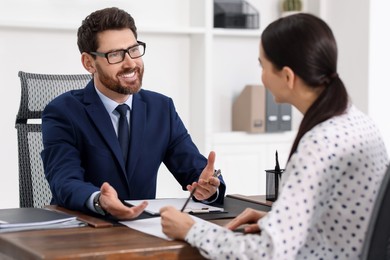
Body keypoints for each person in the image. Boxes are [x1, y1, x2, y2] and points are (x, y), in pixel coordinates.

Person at [160, 13, 389, 259]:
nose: (262, 76)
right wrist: (277, 220)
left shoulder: (319, 143)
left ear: (288, 77)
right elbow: (348, 216)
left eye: (263, 65)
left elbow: (267, 253)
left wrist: (191, 229)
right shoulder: (360, 122)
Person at [41, 7, 226, 220]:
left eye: (134, 50)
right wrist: (99, 200)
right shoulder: (63, 112)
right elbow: (64, 181)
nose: (130, 63)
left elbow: (195, 172)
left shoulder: (161, 108)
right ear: (89, 63)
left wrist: (209, 189)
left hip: (143, 229)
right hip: (86, 229)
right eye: (115, 55)